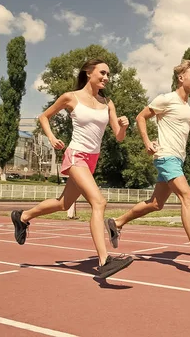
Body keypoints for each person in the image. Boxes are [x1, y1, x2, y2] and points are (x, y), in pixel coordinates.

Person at [10, 58, 133, 279]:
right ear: (88, 73)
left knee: (63, 203)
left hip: (92, 160)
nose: (106, 77)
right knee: (99, 202)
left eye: (108, 75)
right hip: (76, 155)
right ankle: (104, 261)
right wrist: (52, 137)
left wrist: (123, 127)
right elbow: (43, 117)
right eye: (102, 73)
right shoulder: (71, 97)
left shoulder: (108, 103)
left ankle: (23, 216)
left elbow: (119, 137)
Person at [104, 59, 190, 270]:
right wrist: (147, 143)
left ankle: (117, 222)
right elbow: (140, 117)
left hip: (177, 158)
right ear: (181, 78)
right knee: (188, 196)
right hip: (165, 156)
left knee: (156, 204)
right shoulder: (166, 99)